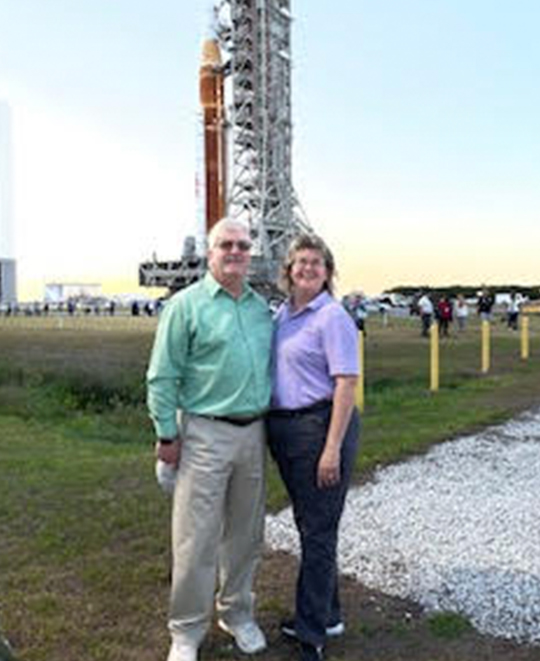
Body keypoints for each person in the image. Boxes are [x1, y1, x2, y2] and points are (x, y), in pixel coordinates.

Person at [147, 218, 273, 661]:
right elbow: (163, 375)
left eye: (242, 245)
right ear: (210, 252)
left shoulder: (260, 309)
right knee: (195, 537)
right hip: (203, 432)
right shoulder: (186, 306)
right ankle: (186, 629)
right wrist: (167, 435)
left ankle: (237, 613)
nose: (236, 252)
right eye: (227, 245)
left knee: (245, 533)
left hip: (252, 432)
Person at [267, 234, 360, 661]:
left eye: (316, 263)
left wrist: (331, 448)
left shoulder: (331, 317)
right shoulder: (283, 316)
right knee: (312, 526)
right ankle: (330, 614)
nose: (307, 268)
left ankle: (311, 634)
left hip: (321, 426)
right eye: (300, 261)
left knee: (319, 532)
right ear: (288, 270)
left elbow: (346, 383)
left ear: (327, 272)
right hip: (286, 430)